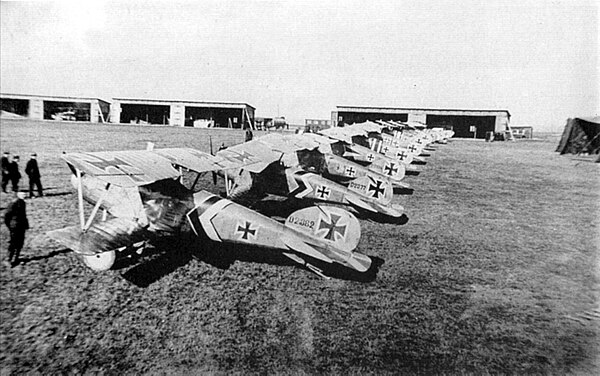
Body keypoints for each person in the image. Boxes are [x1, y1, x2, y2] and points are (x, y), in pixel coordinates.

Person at [4, 192, 29, 267]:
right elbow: (7, 216)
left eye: (25, 194)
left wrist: (26, 224)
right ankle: (8, 259)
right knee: (13, 242)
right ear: (18, 195)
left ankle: (16, 258)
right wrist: (10, 226)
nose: (25, 195)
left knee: (20, 242)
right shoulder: (13, 203)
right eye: (23, 194)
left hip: (21, 225)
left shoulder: (22, 202)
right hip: (15, 226)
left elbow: (23, 215)